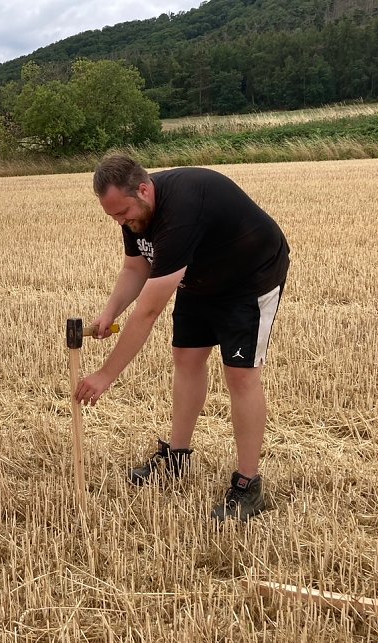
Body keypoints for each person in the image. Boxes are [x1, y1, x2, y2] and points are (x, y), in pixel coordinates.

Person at [75, 154, 289, 523]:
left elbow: (149, 310)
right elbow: (135, 266)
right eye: (113, 217)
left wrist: (106, 374)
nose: (122, 222)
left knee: (240, 375)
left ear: (143, 189)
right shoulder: (135, 210)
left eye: (123, 213)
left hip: (249, 279)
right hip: (199, 278)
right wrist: (109, 313)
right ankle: (176, 458)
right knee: (186, 359)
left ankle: (248, 485)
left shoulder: (182, 207)